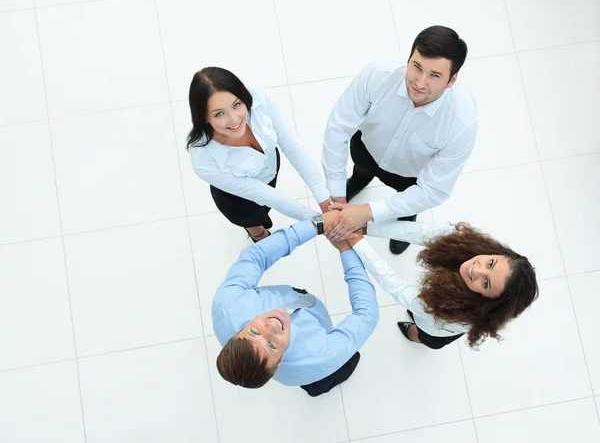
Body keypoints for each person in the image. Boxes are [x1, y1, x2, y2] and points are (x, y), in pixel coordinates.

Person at [321, 25, 477, 255]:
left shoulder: (461, 123)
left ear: (452, 79)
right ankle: (357, 182)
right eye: (417, 67)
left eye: (435, 75)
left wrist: (368, 211)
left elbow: (432, 190)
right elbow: (338, 128)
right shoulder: (378, 73)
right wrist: (336, 193)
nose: (420, 83)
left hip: (409, 174)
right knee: (361, 172)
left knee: (408, 202)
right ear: (410, 57)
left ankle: (405, 220)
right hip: (367, 147)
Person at [212, 211, 379, 396]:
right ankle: (318, 385)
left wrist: (317, 225)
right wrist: (347, 250)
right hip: (314, 367)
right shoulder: (319, 356)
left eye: (254, 331)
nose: (272, 325)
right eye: (272, 345)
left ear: (237, 335)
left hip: (297, 301)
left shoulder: (227, 305)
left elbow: (255, 256)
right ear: (279, 363)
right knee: (321, 377)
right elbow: (366, 315)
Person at [337, 207, 538, 349]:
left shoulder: (444, 317)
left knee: (426, 335)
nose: (477, 270)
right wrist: (366, 227)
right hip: (433, 306)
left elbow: (393, 283)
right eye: (491, 263)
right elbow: (426, 233)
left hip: (436, 326)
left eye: (486, 283)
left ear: (487, 300)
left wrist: (358, 242)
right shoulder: (492, 243)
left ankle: (416, 336)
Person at [187, 67, 332, 242]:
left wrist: (326, 202)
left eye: (236, 105)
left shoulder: (256, 97)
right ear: (203, 117)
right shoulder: (204, 161)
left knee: (265, 209)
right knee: (252, 219)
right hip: (238, 199)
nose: (234, 119)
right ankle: (258, 235)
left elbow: (292, 146)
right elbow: (266, 195)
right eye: (219, 114)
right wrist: (320, 222)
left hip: (268, 172)